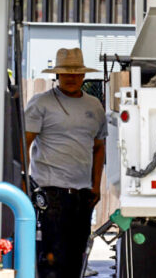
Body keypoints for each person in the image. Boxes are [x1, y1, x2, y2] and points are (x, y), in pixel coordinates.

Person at [25, 48, 107, 278]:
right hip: (49, 190)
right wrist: (24, 183)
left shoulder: (94, 105)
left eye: (76, 73)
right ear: (57, 76)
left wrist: (96, 185)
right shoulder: (40, 103)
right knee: (50, 257)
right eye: (66, 73)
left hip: (82, 192)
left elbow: (99, 147)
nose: (71, 78)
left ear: (83, 76)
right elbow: (25, 144)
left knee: (76, 254)